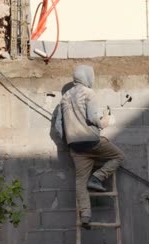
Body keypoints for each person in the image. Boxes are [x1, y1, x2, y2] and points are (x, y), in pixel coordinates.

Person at [55, 65, 125, 229]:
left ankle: (85, 214)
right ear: (87, 76)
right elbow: (93, 117)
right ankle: (98, 177)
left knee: (80, 181)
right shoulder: (88, 93)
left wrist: (69, 141)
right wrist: (106, 122)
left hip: (74, 146)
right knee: (119, 156)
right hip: (91, 142)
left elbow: (58, 127)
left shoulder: (64, 97)